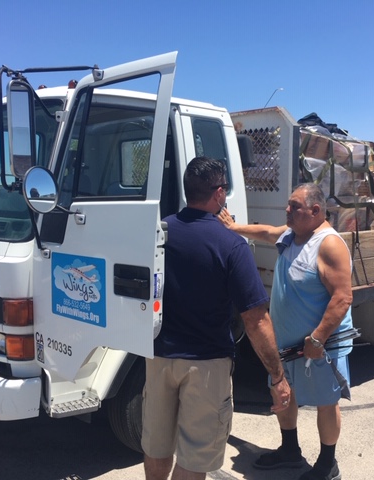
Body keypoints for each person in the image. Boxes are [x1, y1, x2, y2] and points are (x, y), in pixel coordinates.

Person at [142, 156, 291, 480]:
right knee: (195, 457)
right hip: (207, 365)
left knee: (156, 446)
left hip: (158, 357)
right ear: (219, 193)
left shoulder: (159, 234)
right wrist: (277, 376)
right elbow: (256, 320)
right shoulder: (231, 245)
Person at [218, 182, 353, 480]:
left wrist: (318, 337)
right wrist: (234, 227)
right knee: (282, 394)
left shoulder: (328, 244)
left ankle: (327, 465)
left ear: (316, 211)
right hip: (286, 344)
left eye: (294, 206)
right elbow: (266, 232)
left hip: (320, 347)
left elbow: (342, 297)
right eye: (289, 205)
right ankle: (290, 451)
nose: (287, 211)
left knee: (325, 404)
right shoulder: (293, 235)